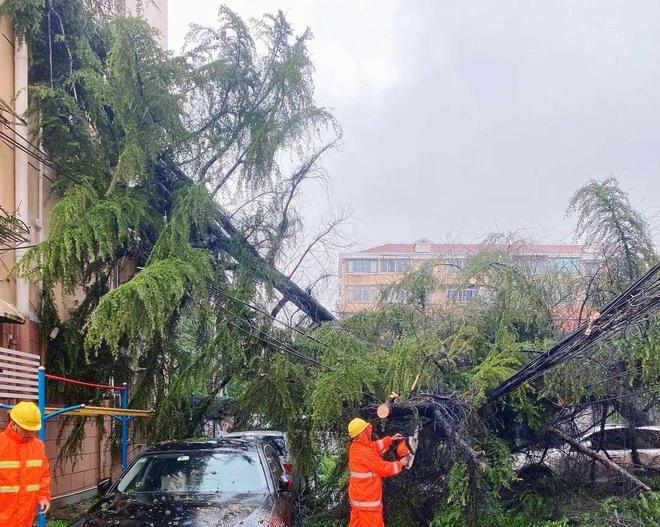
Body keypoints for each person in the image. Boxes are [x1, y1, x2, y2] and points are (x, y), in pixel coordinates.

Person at [347, 417, 410, 527]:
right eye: (366, 429)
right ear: (362, 433)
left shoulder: (356, 446)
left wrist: (390, 440)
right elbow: (384, 468)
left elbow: (373, 447)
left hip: (358, 499)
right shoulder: (364, 452)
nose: (369, 431)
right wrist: (401, 463)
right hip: (368, 502)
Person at [0, 401, 51, 527]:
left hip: (25, 518)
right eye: (26, 429)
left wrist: (43, 497)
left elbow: (43, 476)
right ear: (15, 424)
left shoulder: (38, 446)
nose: (30, 433)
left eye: (33, 430)